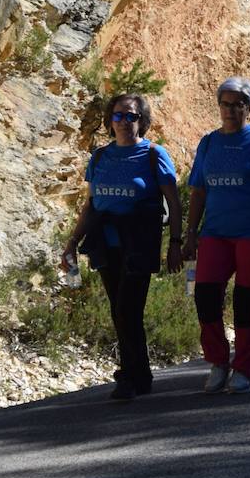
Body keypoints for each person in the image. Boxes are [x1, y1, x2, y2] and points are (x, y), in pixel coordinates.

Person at [61, 93, 181, 401]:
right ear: (109, 121)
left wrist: (177, 243)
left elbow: (173, 202)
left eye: (131, 116)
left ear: (142, 120)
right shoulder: (101, 157)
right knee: (121, 311)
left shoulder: (154, 154)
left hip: (140, 241)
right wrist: (72, 242)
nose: (124, 122)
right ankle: (140, 374)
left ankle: (128, 375)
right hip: (105, 241)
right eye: (118, 116)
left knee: (127, 308)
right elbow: (91, 204)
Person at [182, 77, 250, 395]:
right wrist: (190, 232)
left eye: (238, 104)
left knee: (245, 301)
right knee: (205, 296)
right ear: (219, 106)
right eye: (225, 103)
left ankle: (243, 368)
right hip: (215, 232)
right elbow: (198, 191)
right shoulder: (208, 143)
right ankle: (218, 362)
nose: (230, 110)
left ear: (249, 108)